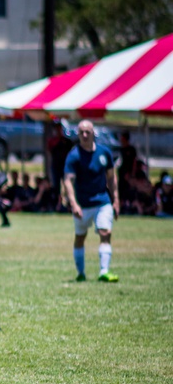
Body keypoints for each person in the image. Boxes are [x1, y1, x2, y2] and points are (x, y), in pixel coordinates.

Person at [63, 119, 120, 282]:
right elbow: (68, 180)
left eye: (88, 131)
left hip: (102, 202)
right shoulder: (74, 156)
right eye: (81, 132)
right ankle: (81, 273)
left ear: (94, 133)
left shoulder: (104, 153)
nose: (85, 135)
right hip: (82, 205)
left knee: (105, 233)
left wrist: (115, 200)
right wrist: (73, 204)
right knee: (80, 237)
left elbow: (111, 178)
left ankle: (104, 271)